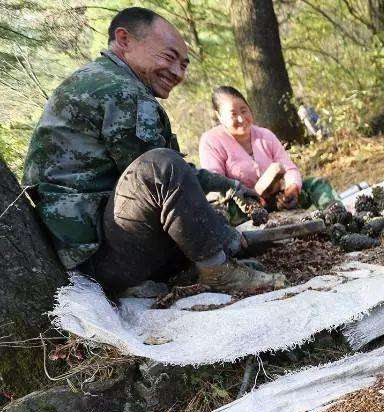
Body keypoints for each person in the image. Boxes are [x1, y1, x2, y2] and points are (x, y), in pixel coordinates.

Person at [22, 7, 284, 296]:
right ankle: (219, 271)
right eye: (168, 57)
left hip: (88, 250)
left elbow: (170, 178)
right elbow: (161, 173)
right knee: (162, 165)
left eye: (183, 64)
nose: (177, 72)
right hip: (99, 259)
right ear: (124, 40)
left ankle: (206, 260)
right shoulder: (121, 91)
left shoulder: (100, 80)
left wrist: (231, 186)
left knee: (168, 171)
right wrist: (222, 234)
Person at [199, 86, 337, 216]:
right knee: (221, 211)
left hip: (277, 198)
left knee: (316, 184)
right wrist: (250, 196)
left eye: (244, 110)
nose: (241, 118)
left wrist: (292, 189)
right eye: (233, 114)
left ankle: (339, 222)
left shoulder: (265, 135)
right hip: (244, 206)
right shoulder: (211, 141)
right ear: (219, 116)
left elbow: (289, 167)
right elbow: (216, 184)